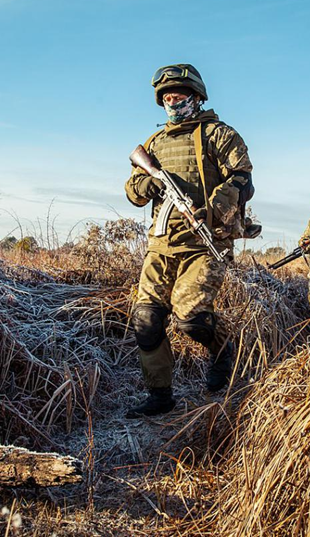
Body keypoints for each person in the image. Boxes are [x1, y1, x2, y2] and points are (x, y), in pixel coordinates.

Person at [123, 64, 255, 418]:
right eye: (167, 97)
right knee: (146, 320)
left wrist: (212, 209)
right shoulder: (154, 143)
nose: (173, 102)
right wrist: (150, 182)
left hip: (206, 242)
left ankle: (223, 351)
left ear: (196, 98)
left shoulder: (218, 134)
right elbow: (133, 192)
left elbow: (243, 179)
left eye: (179, 96)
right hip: (161, 244)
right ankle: (160, 396)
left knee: (191, 318)